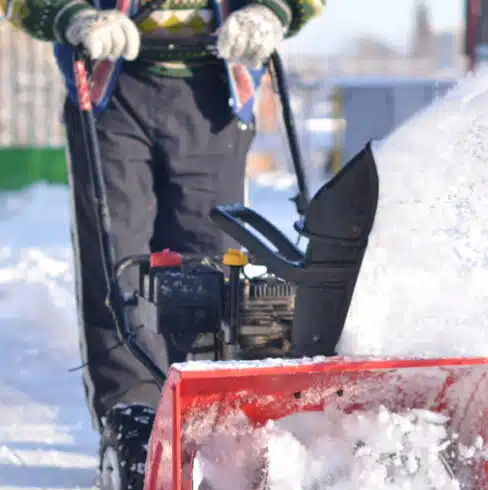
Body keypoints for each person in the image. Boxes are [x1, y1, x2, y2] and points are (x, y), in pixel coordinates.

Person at [1, 0, 323, 431]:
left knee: (211, 263)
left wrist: (272, 11)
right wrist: (72, 17)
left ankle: (207, 417)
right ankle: (130, 418)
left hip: (217, 90)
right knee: (116, 259)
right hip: (111, 90)